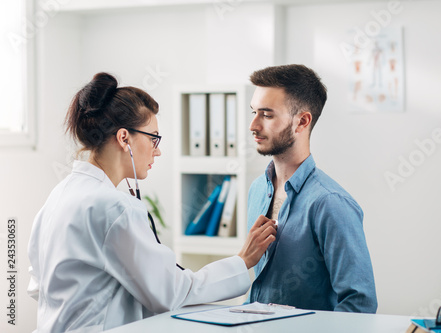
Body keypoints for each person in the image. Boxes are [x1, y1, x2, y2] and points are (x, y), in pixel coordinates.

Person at [27, 72, 277, 333]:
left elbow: (37, 286)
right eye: (152, 137)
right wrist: (243, 260)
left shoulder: (59, 195)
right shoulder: (114, 207)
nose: (157, 150)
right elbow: (173, 292)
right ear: (124, 138)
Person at [246, 64, 377, 312]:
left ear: (302, 121)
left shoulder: (331, 203)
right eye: (253, 112)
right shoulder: (257, 190)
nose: (253, 125)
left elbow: (359, 305)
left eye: (267, 114)